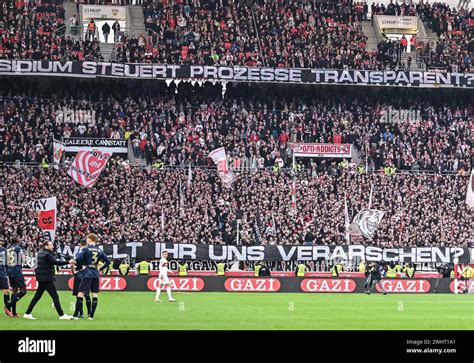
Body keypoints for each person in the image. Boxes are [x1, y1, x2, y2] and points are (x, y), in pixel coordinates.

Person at [23, 240, 75, 320]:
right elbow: (55, 262)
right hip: (46, 278)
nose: (52, 246)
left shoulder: (40, 254)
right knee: (55, 296)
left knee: (37, 297)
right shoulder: (47, 255)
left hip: (41, 278)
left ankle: (27, 313)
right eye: (50, 245)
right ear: (46, 246)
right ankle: (61, 315)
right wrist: (68, 262)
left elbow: (36, 266)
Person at [71, 233, 110, 320]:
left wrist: (74, 262)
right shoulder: (99, 250)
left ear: (89, 239)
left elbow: (77, 259)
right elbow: (108, 262)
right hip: (96, 273)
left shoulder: (86, 249)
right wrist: (100, 269)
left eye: (87, 238)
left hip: (87, 272)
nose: (86, 240)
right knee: (94, 294)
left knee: (80, 293)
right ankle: (91, 316)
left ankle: (75, 315)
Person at [7, 236, 27, 318]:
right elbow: (23, 260)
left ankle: (14, 313)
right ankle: (8, 306)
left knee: (14, 291)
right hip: (17, 272)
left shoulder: (8, 249)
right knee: (23, 291)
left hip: (10, 272)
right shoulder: (18, 248)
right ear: (18, 241)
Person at [71, 240, 91, 319]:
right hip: (87, 274)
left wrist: (73, 270)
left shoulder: (77, 254)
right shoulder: (89, 253)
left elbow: (72, 268)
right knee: (87, 295)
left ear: (80, 245)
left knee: (78, 295)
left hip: (78, 274)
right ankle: (90, 313)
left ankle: (80, 313)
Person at [0, 242, 13, 317]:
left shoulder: (4, 250)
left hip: (2, 274)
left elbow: (9, 261)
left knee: (7, 291)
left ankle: (8, 309)